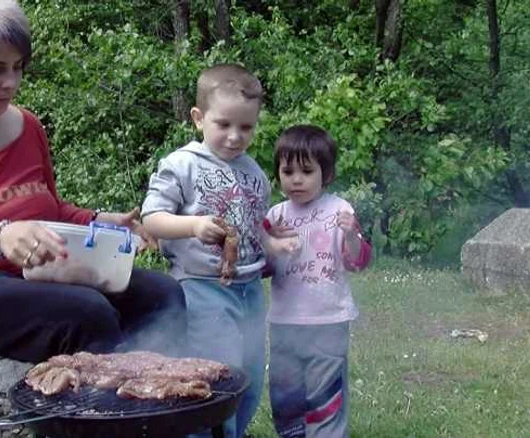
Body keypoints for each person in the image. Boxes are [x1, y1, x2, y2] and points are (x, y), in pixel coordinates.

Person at [0, 0, 186, 364]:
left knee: (163, 296)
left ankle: (163, 401)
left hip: (33, 275)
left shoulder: (27, 127)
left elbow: (45, 208)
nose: (10, 83)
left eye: (17, 67)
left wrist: (98, 220)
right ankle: (104, 414)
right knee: (86, 313)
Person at [141, 64, 292, 438]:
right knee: (214, 374)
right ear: (198, 118)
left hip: (250, 290)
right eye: (223, 124)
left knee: (250, 375)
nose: (235, 136)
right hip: (202, 288)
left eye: (246, 127)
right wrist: (193, 226)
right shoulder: (181, 164)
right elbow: (152, 217)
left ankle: (234, 433)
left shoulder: (254, 172)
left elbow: (255, 228)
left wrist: (275, 244)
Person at [265, 125, 372, 438]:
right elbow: (263, 267)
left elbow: (357, 261)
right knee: (286, 396)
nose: (296, 179)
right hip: (284, 321)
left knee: (325, 396)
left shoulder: (339, 210)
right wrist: (271, 245)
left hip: (328, 320)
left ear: (326, 174)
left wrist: (352, 234)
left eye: (306, 171)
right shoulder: (275, 216)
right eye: (288, 171)